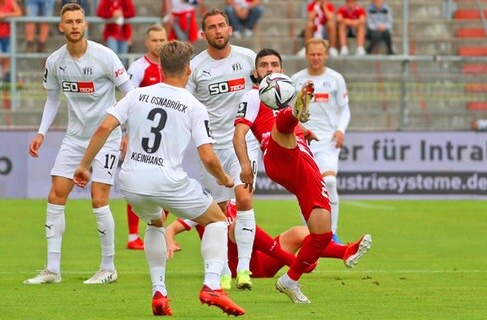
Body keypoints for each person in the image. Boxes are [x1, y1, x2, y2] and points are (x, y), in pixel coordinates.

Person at [73, 40, 245, 317]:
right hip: (166, 180)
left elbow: (105, 126)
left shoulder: (137, 95)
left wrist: (83, 165)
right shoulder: (193, 104)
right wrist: (225, 179)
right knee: (216, 220)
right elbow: (208, 157)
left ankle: (159, 292)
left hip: (130, 181)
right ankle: (212, 285)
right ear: (188, 70)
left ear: (161, 68)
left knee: (154, 222)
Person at [233, 46, 370, 303]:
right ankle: (297, 112)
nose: (270, 69)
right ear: (256, 72)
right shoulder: (252, 97)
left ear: (282, 71)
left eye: (274, 65)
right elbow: (239, 133)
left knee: (321, 234)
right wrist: (245, 166)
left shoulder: (283, 95)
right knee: (284, 122)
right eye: (264, 66)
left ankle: (291, 280)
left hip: (301, 157)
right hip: (277, 154)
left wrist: (303, 131)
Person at [24, 3, 135, 285]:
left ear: (85, 25)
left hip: (106, 138)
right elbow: (52, 99)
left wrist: (124, 130)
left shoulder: (105, 56)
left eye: (78, 21)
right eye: (69, 22)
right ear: (61, 27)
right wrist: (41, 132)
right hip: (74, 139)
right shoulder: (55, 61)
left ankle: (108, 268)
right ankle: (52, 270)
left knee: (99, 200)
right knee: (56, 195)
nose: (74, 26)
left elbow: (130, 94)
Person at [187, 8, 260, 290]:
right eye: (212, 27)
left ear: (230, 29)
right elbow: (186, 106)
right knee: (217, 213)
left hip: (244, 142)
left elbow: (266, 93)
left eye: (222, 26)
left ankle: (244, 269)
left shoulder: (247, 59)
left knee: (244, 200)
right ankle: (224, 270)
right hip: (211, 147)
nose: (218, 31)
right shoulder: (195, 67)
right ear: (203, 34)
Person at [166, 199, 371, 289]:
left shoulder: (235, 203)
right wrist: (170, 240)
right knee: (239, 225)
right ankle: (295, 263)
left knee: (300, 232)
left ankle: (345, 251)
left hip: (262, 260)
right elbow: (171, 228)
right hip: (238, 269)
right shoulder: (202, 210)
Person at [291, 38, 351, 245]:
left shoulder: (335, 79)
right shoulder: (296, 80)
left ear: (326, 55)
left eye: (319, 54)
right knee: (306, 189)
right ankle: (309, 234)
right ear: (306, 54)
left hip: (327, 141)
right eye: (312, 54)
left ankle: (331, 234)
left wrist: (340, 130)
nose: (316, 57)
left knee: (330, 182)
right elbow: (290, 111)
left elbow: (344, 109)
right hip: (303, 142)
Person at [123, 24, 167, 250]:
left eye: (162, 40)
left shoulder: (173, 66)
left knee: (169, 180)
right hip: (141, 135)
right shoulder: (138, 68)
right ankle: (132, 236)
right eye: (155, 40)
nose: (159, 44)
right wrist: (127, 134)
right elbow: (129, 101)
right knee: (138, 183)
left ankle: (160, 231)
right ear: (147, 43)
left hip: (166, 134)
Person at [96, 0, 135, 65]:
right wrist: (112, 13)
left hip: (124, 35)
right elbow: (100, 12)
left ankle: (122, 74)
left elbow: (132, 13)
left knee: (123, 59)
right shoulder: (106, 1)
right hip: (111, 34)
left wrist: (121, 13)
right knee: (113, 57)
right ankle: (112, 74)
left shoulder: (126, 1)